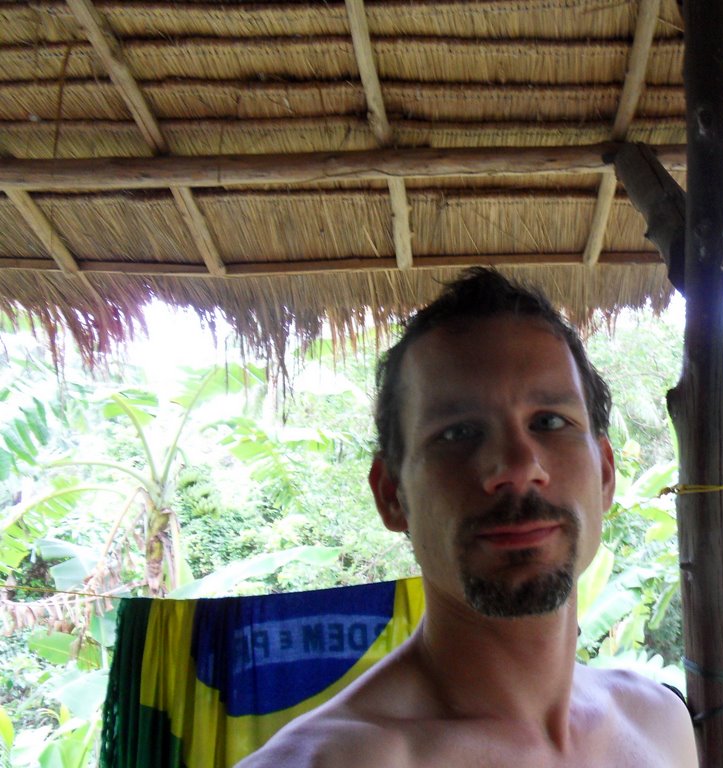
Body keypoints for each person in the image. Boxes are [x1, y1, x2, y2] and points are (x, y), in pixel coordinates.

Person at [240, 268, 699, 767]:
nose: (518, 467)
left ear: (606, 473)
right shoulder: (328, 761)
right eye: (458, 433)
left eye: (549, 421)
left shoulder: (660, 724)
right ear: (391, 495)